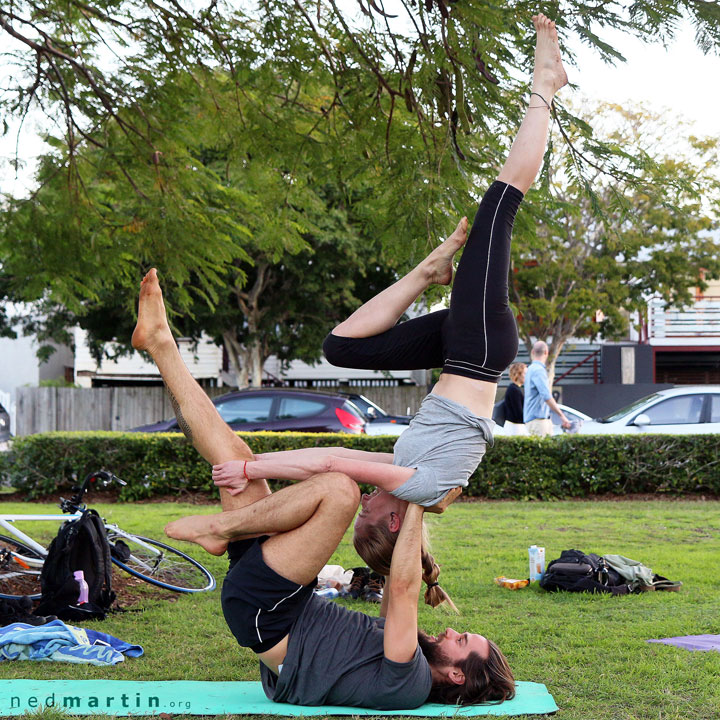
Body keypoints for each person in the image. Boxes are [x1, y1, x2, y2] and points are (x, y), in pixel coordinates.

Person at [212, 14, 569, 576]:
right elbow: (334, 459)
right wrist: (253, 471)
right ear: (394, 520)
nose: (362, 503)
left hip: (459, 351)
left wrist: (262, 464)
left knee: (342, 349)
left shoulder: (411, 477)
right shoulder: (421, 486)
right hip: (476, 349)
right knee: (499, 204)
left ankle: (429, 272)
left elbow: (333, 464)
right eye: (366, 512)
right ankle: (546, 86)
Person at [131, 269, 515, 709]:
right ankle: (160, 343)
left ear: (456, 673)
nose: (449, 630)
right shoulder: (406, 655)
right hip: (278, 597)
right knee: (236, 457)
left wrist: (422, 501)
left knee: (340, 491)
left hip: (271, 613)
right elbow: (397, 578)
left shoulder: (407, 685)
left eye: (461, 639)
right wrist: (422, 491)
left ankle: (222, 529)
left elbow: (407, 589)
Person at [523, 340, 571, 436]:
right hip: (538, 422)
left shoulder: (530, 369)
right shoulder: (538, 370)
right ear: (546, 352)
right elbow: (546, 396)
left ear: (532, 352)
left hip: (531, 420)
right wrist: (562, 416)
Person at [503, 362, 528, 435]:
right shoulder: (514, 390)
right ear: (518, 374)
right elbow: (518, 412)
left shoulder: (514, 388)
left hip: (515, 426)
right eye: (525, 373)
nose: (527, 376)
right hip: (515, 427)